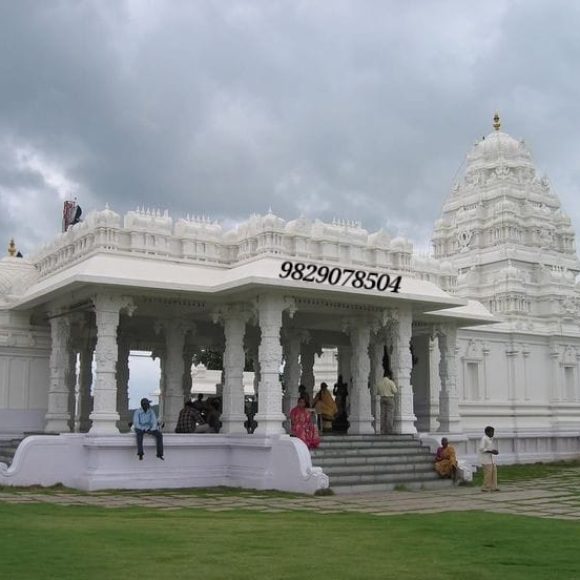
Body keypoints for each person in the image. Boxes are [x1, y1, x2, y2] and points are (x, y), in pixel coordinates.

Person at [479, 425, 499, 491]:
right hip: (486, 460)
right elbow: (481, 449)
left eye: (493, 432)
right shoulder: (484, 438)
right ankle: (485, 487)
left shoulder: (490, 439)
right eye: (491, 432)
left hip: (492, 459)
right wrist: (491, 451)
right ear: (487, 432)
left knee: (494, 472)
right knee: (488, 474)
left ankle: (494, 487)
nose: (493, 433)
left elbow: (490, 448)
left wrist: (495, 451)